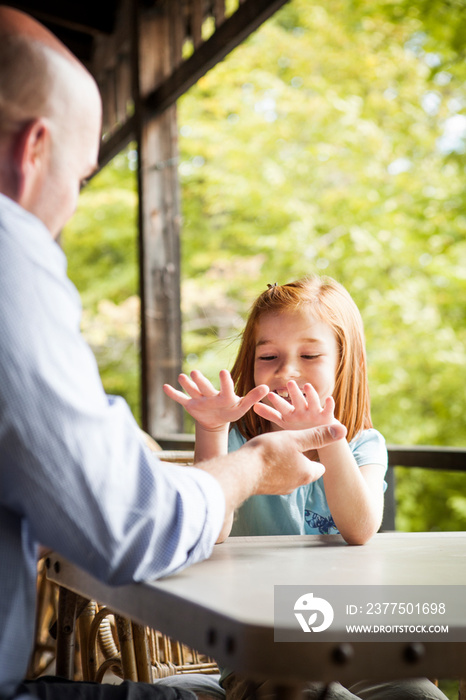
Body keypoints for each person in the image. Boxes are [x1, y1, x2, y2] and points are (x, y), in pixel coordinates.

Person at [0, 8, 346, 700]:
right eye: (83, 177)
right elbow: (127, 524)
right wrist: (251, 464)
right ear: (34, 149)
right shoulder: (10, 251)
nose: (70, 205)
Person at [164, 277, 448, 700]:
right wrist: (212, 428)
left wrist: (328, 437)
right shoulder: (242, 441)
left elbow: (360, 528)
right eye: (269, 356)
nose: (287, 371)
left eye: (310, 354)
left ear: (342, 362)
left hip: (352, 647)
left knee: (420, 695)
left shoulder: (363, 444)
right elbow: (215, 529)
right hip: (264, 650)